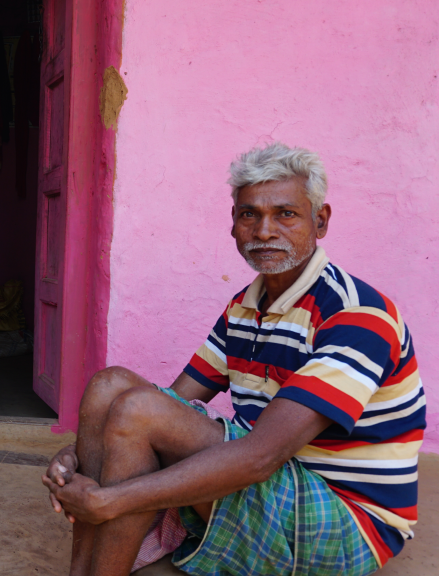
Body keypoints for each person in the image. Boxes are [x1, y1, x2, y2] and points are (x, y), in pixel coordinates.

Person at [44, 143, 424, 576]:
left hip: (348, 520)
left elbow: (262, 456)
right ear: (233, 226)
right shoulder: (244, 307)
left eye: (286, 214)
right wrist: (79, 452)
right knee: (110, 386)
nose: (264, 231)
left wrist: (109, 500)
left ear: (319, 221)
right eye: (249, 215)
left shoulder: (356, 315)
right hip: (278, 487)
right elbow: (171, 403)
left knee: (136, 411)